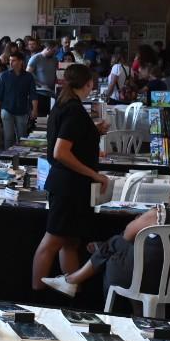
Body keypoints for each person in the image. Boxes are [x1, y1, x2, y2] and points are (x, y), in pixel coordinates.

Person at [43, 176, 170, 298]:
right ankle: (80, 272)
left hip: (136, 279)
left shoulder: (161, 215)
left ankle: (73, 279)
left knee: (118, 243)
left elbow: (129, 233)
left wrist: (141, 220)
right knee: (121, 246)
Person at [31, 64, 111, 291]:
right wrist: (94, 174)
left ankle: (70, 289)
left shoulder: (65, 104)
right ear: (89, 83)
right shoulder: (74, 109)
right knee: (53, 240)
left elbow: (70, 140)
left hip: (71, 185)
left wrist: (94, 132)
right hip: (69, 186)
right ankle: (36, 292)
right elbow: (61, 152)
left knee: (70, 241)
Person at [0, 51, 35, 148]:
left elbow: (33, 94)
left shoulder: (28, 76)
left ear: (21, 62)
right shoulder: (4, 75)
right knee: (8, 137)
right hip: (6, 109)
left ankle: (21, 159)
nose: (11, 63)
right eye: (10, 61)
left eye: (13, 60)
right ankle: (8, 159)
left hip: (22, 110)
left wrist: (35, 109)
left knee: (22, 137)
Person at [26, 42, 59, 118]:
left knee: (49, 117)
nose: (55, 53)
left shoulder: (55, 59)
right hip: (39, 93)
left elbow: (57, 73)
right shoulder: (35, 58)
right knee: (39, 118)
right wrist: (39, 84)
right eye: (53, 51)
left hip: (51, 93)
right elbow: (28, 74)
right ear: (48, 49)